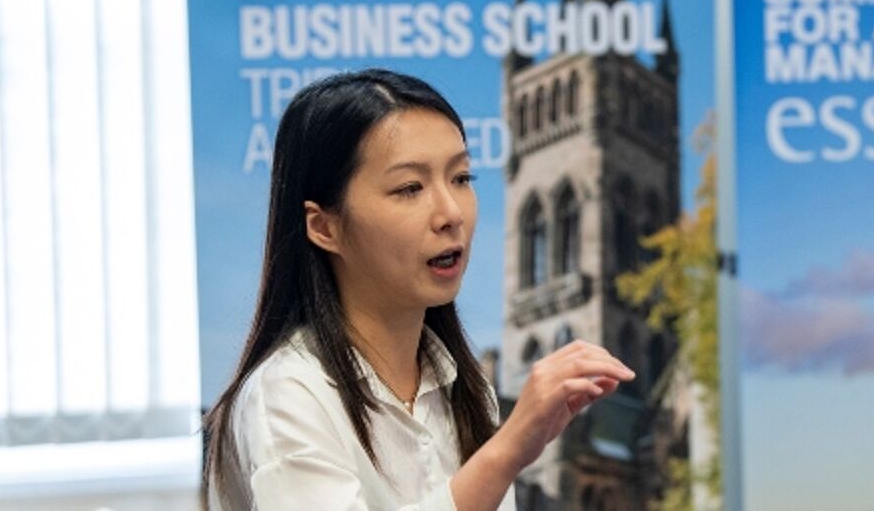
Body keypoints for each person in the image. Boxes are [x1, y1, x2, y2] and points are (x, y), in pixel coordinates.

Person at [201, 69, 634, 510]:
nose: (450, 213)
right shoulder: (288, 393)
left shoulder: (467, 391)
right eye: (410, 188)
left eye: (462, 179)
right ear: (324, 227)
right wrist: (508, 451)